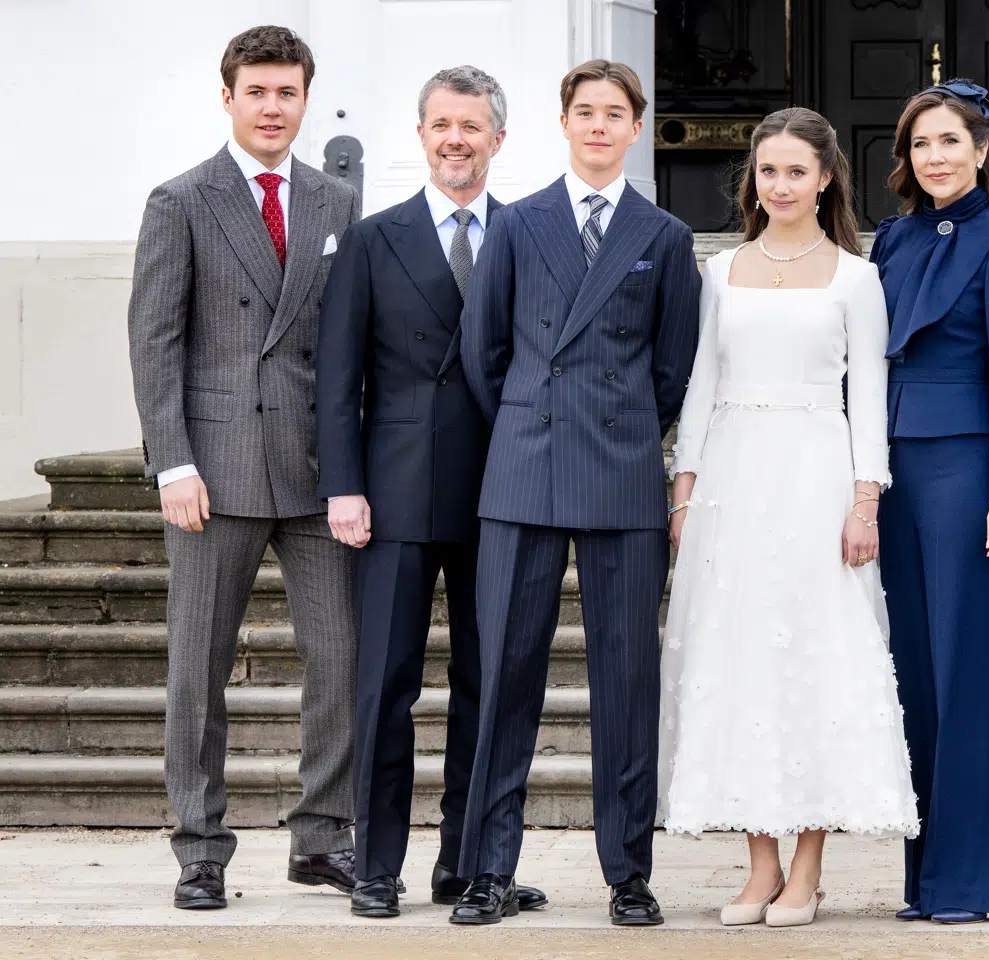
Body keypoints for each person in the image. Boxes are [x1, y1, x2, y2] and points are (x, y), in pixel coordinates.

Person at [451, 59, 702, 927]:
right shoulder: (518, 224)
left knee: (627, 681)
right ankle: (487, 870)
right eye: (585, 111)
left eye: (614, 113)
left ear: (637, 128)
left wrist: (620, 427)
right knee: (503, 676)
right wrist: (531, 420)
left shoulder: (665, 235)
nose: (599, 125)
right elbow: (484, 353)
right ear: (564, 123)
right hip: (523, 469)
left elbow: (673, 368)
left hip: (622, 473)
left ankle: (628, 872)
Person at [660, 107, 919, 929]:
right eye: (768, 171)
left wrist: (865, 500)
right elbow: (700, 385)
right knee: (740, 663)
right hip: (731, 480)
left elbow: (868, 397)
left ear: (826, 179)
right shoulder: (719, 271)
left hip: (816, 476)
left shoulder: (856, 278)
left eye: (796, 172)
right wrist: (684, 489)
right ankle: (760, 864)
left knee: (812, 661)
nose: (780, 185)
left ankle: (807, 866)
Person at [127, 25, 362, 909]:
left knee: (340, 661)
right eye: (257, 92)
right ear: (227, 97)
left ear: (306, 101)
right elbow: (155, 342)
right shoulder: (181, 200)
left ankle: (322, 838)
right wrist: (171, 463)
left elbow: (351, 344)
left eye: (287, 92)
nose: (272, 107)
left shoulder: (336, 203)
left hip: (315, 469)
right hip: (214, 471)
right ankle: (200, 849)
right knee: (197, 671)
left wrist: (354, 468)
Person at [314, 66, 546, 919]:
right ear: (421, 135)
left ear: (498, 139)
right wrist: (342, 486)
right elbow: (337, 378)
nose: (456, 139)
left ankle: (471, 863)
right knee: (385, 687)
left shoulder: (527, 236)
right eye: (442, 124)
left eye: (471, 126)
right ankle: (377, 866)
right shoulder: (373, 240)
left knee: (490, 685)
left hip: (501, 490)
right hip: (395, 494)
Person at [868, 79, 989, 924]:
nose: (934, 157)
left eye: (949, 141)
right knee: (915, 674)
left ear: (981, 150)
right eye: (920, 144)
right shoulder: (892, 240)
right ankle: (928, 879)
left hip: (968, 468)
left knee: (969, 669)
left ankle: (977, 881)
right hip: (892, 468)